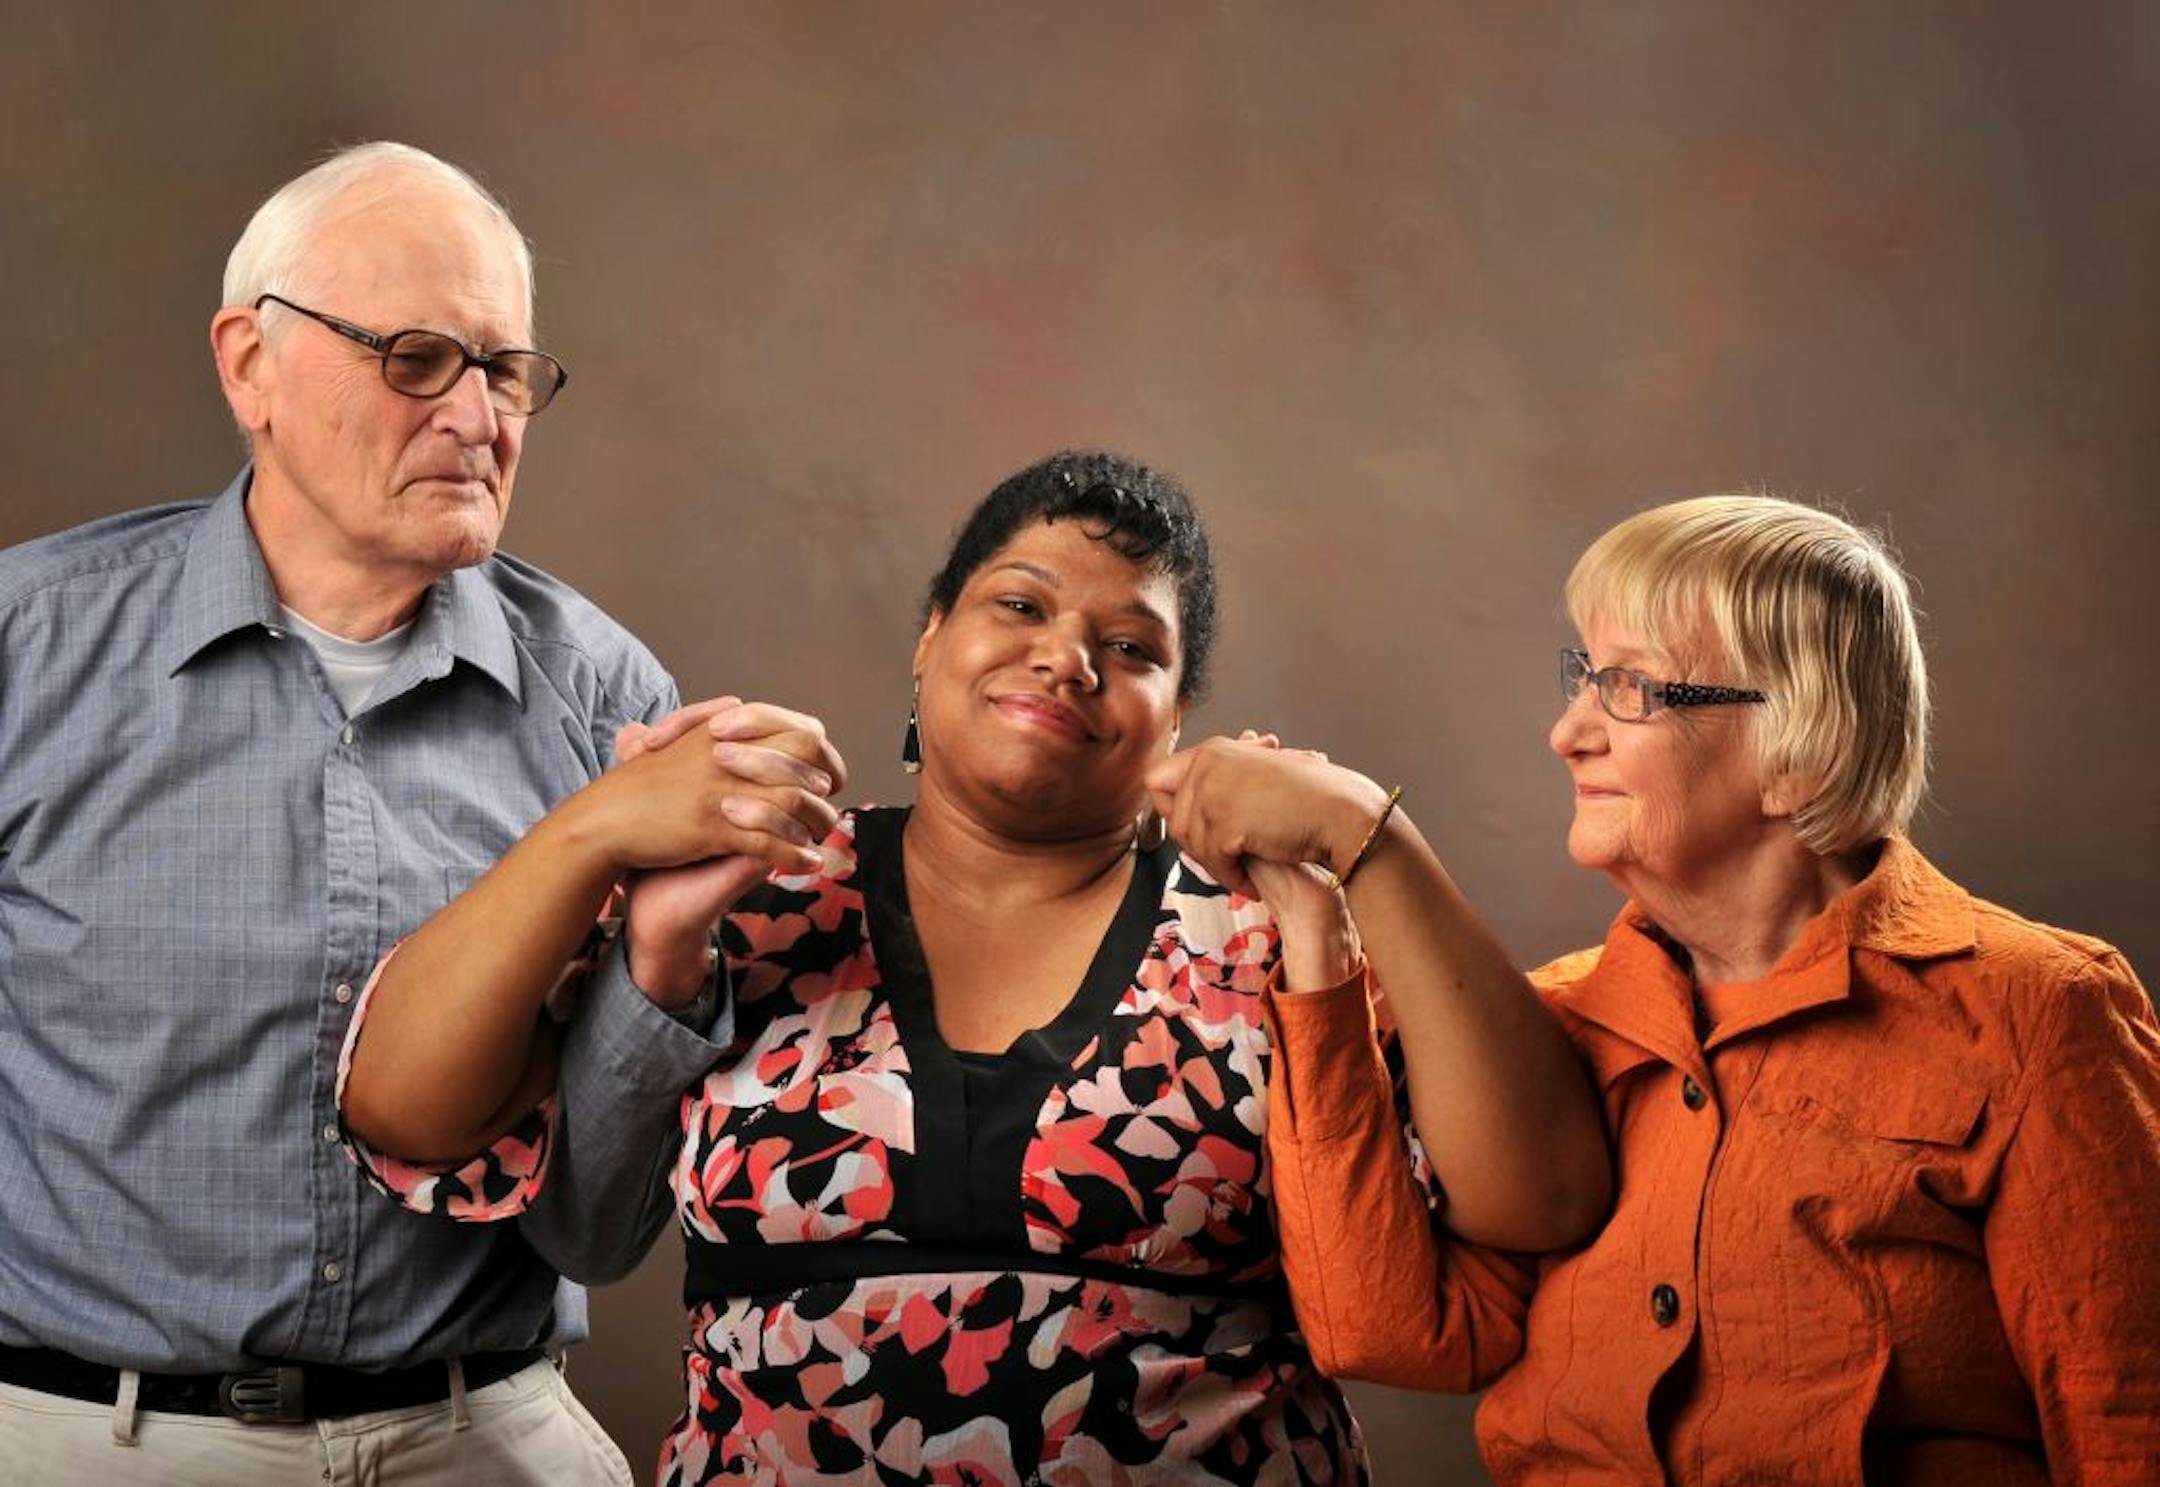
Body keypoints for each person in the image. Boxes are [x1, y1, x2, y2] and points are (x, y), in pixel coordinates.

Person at [337, 450, 1612, 1484]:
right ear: (929, 637)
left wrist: (1373, 844)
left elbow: (1540, 1195)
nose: (1068, 657)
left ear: (1178, 719)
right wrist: (603, 844)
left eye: (1134, 647)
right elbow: (433, 1128)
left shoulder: (1272, 928)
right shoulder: (752, 888)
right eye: (1021, 606)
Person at [0, 141, 814, 1485]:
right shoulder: (32, 650)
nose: (478, 416)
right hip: (87, 1438)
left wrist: (666, 954)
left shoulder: (604, 695)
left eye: (504, 369)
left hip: (479, 1429)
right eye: (417, 358)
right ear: (249, 363)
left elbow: (595, 1233)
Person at [1217, 495, 2160, 1483]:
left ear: (1797, 743)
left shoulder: (2038, 1011)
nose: (1566, 731)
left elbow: (2128, 1425)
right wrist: (1314, 927)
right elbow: (1392, 1328)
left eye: (1626, 687)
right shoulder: (1554, 1023)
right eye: (1580, 676)